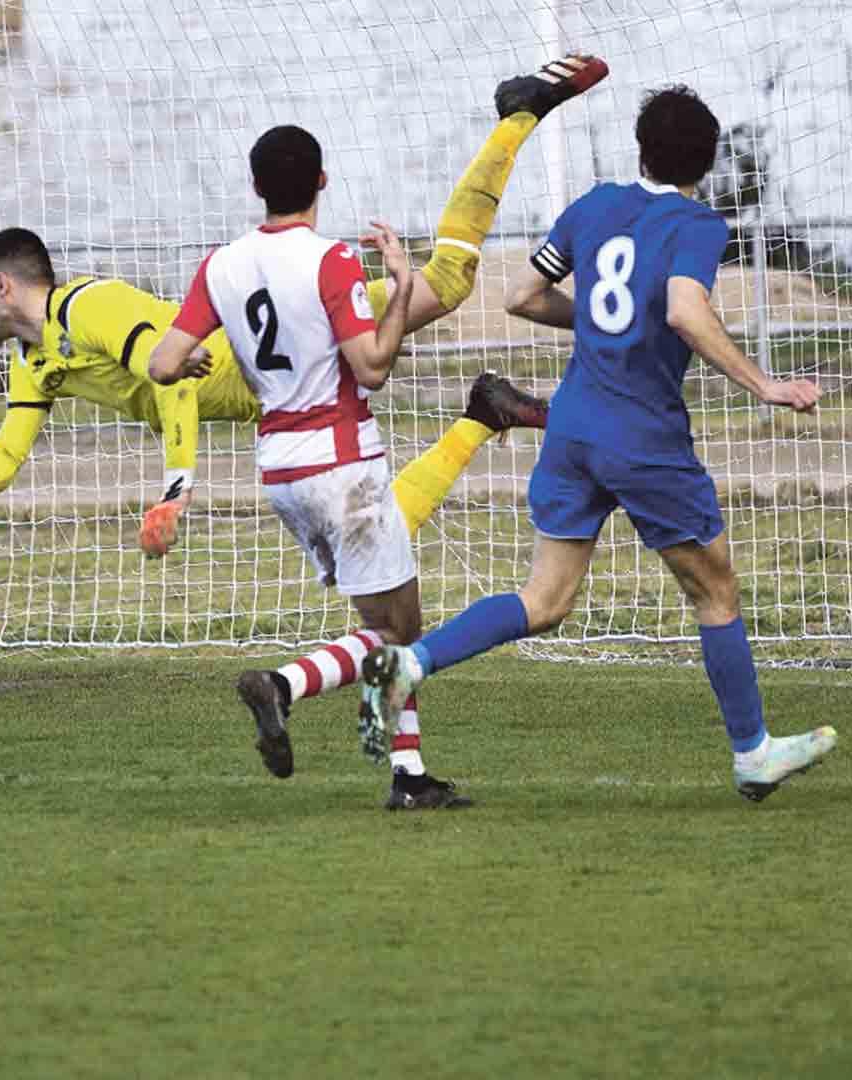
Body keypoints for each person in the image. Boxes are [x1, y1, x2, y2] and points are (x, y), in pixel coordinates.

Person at [146, 56, 608, 810]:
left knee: (385, 624)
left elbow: (165, 363)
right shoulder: (331, 260)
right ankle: (289, 686)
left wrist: (195, 354)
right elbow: (373, 366)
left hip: (280, 469)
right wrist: (394, 286)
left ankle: (407, 774)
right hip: (341, 460)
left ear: (257, 187)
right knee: (401, 633)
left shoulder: (220, 265)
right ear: (322, 182)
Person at [357, 85, 835, 804]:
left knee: (544, 600)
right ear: (704, 162)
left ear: (639, 149)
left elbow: (521, 296)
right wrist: (762, 384)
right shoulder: (698, 223)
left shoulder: (594, 206)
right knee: (716, 591)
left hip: (572, 426)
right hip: (642, 436)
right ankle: (753, 752)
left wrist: (599, 327)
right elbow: (683, 308)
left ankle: (410, 665)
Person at [0, 60, 611, 560]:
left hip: (299, 348)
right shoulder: (31, 356)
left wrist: (176, 488)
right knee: (368, 546)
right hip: (285, 387)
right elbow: (12, 448)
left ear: (5, 285)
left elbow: (175, 387)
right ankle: (480, 414)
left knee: (445, 288)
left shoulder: (91, 307)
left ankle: (517, 119)